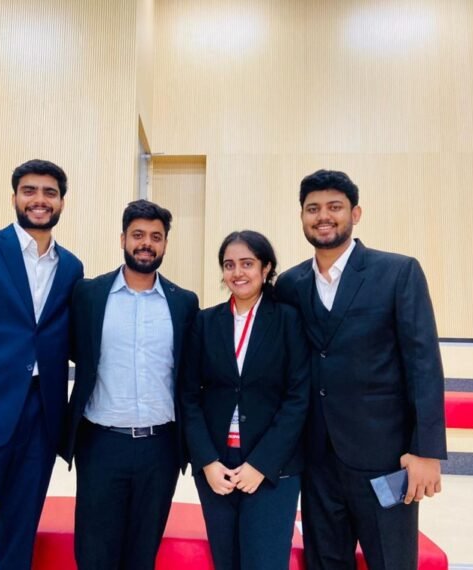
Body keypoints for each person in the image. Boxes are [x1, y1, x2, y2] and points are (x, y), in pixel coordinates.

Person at [275, 169, 447, 569]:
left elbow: (423, 364)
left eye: (334, 207)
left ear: (355, 213)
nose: (323, 216)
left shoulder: (397, 273)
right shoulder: (290, 284)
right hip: (316, 460)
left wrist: (426, 451)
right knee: (325, 561)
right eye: (313, 209)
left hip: (385, 459)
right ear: (302, 217)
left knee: (391, 561)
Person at [0, 159, 84, 570]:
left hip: (41, 420)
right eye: (29, 191)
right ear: (14, 198)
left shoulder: (72, 267)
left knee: (18, 540)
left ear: (61, 202)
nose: (39, 200)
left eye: (49, 193)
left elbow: (69, 339)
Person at [60, 199, 199, 570]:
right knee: (95, 554)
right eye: (138, 235)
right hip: (101, 443)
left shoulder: (184, 303)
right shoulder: (88, 295)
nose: (146, 243)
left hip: (161, 448)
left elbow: (189, 374)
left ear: (165, 244)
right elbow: (72, 350)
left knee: (143, 553)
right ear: (123, 239)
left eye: (156, 236)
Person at [179, 230, 310, 570]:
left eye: (247, 264)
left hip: (272, 466)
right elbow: (188, 397)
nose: (237, 272)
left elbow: (298, 398)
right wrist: (207, 461)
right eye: (229, 265)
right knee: (227, 561)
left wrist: (262, 464)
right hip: (218, 466)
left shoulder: (288, 320)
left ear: (266, 268)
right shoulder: (205, 322)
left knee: (264, 562)